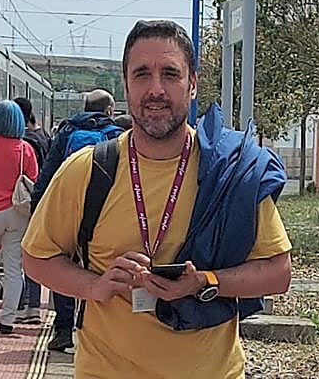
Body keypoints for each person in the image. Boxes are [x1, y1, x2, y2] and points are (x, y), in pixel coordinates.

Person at [22, 19, 292, 378]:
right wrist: (96, 286)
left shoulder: (230, 171)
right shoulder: (87, 171)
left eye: (170, 74)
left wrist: (206, 281)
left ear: (192, 84)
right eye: (142, 75)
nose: (156, 89)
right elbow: (36, 257)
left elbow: (278, 272)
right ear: (126, 86)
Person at [30, 88, 125, 351]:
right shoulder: (117, 135)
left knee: (63, 266)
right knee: (103, 270)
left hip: (70, 211)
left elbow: (50, 172)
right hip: (105, 214)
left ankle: (63, 331)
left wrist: (38, 208)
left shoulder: (67, 132)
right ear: (109, 110)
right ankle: (100, 332)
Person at [0, 100, 39, 334]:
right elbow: (33, 179)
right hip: (16, 214)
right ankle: (7, 320)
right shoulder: (25, 149)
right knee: (14, 268)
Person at [15, 96, 51, 324]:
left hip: (21, 204)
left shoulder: (24, 143)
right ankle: (34, 306)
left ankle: (19, 305)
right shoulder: (45, 136)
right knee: (32, 253)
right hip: (39, 203)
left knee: (15, 259)